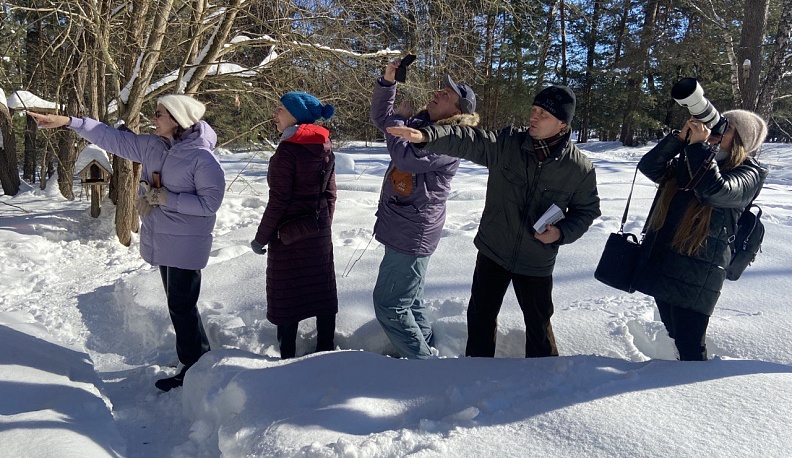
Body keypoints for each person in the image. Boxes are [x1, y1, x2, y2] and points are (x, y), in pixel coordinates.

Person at [387, 85, 601, 358]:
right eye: (534, 110)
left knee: (539, 327)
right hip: (494, 250)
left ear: (562, 124)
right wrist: (427, 135)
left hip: (536, 260)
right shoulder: (507, 144)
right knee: (480, 320)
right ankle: (477, 375)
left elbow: (587, 210)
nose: (533, 117)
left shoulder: (578, 168)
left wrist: (560, 232)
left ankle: (543, 381)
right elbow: (466, 139)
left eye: (543, 114)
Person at [29, 94, 225, 391]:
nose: (153, 118)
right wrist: (70, 122)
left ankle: (194, 368)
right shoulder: (153, 145)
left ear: (177, 119)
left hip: (186, 242)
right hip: (164, 239)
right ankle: (198, 358)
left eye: (159, 113)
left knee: (181, 305)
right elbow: (112, 139)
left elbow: (210, 203)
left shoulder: (202, 157)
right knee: (180, 305)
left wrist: (165, 198)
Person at [632, 110, 768, 361]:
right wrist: (678, 140)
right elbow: (650, 167)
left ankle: (696, 396)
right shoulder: (694, 158)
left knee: (690, 345)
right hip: (668, 259)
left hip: (699, 273)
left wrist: (697, 149)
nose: (716, 131)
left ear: (741, 139)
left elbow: (714, 191)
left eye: (725, 128)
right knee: (674, 334)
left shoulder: (750, 173)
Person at [370, 59, 479, 359]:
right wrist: (388, 82)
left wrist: (399, 123)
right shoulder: (423, 125)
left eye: (447, 94)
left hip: (412, 234)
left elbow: (405, 159)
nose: (438, 92)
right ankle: (427, 345)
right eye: (442, 88)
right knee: (411, 298)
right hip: (404, 228)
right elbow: (383, 119)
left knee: (390, 304)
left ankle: (422, 366)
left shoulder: (450, 140)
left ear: (458, 112)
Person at [250, 92, 337, 359]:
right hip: (317, 230)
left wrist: (260, 238)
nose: (275, 114)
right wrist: (322, 225)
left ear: (296, 116)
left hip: (287, 235)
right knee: (320, 291)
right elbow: (330, 193)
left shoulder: (287, 152)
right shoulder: (324, 144)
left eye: (280, 109)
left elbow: (278, 201)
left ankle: (287, 359)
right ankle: (326, 352)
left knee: (288, 296)